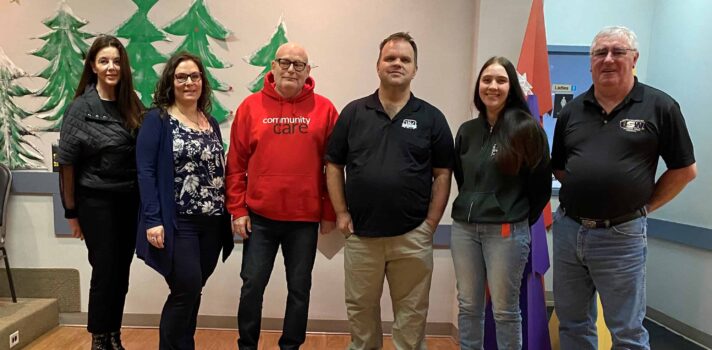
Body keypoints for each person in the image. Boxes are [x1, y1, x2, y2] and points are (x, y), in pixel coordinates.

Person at [551, 26, 696, 350]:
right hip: (568, 231)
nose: (608, 59)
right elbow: (560, 166)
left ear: (634, 59)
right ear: (590, 62)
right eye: (600, 53)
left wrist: (643, 208)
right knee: (573, 324)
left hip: (621, 236)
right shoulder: (571, 111)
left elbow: (685, 170)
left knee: (627, 333)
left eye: (618, 52)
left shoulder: (660, 106)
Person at [325, 32, 454, 350]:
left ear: (415, 69)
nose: (397, 63)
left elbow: (442, 174)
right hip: (361, 237)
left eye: (405, 59)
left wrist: (430, 225)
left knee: (411, 320)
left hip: (412, 238)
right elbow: (333, 165)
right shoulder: (354, 113)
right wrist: (341, 212)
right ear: (378, 64)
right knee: (361, 316)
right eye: (390, 58)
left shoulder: (431, 118)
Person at [225, 42, 338, 350]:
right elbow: (235, 164)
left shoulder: (326, 110)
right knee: (251, 287)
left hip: (304, 220)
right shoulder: (250, 107)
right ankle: (246, 345)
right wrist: (238, 209)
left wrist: (329, 213)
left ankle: (291, 346)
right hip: (259, 218)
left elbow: (334, 168)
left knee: (299, 289)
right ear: (272, 67)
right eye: (284, 62)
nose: (291, 69)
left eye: (299, 64)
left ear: (308, 71)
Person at [450, 56, 551, 350]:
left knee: (505, 311)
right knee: (468, 306)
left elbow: (540, 187)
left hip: (506, 231)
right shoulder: (467, 131)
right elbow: (463, 179)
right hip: (465, 230)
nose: (492, 86)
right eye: (486, 80)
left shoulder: (526, 129)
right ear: (478, 86)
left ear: (512, 87)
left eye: (501, 80)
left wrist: (514, 213)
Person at [136, 52, 234, 350]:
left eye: (194, 76)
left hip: (212, 223)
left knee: (193, 290)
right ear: (171, 81)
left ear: (203, 82)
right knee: (185, 289)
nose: (189, 82)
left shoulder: (211, 122)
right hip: (179, 222)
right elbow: (146, 171)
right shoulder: (158, 119)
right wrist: (153, 220)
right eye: (181, 77)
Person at [56, 34, 143, 350]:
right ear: (93, 66)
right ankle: (98, 338)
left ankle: (113, 335)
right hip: (95, 201)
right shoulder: (80, 108)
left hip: (128, 201)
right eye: (104, 60)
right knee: (104, 269)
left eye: (117, 61)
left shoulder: (131, 103)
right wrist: (71, 213)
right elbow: (66, 164)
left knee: (121, 272)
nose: (111, 66)